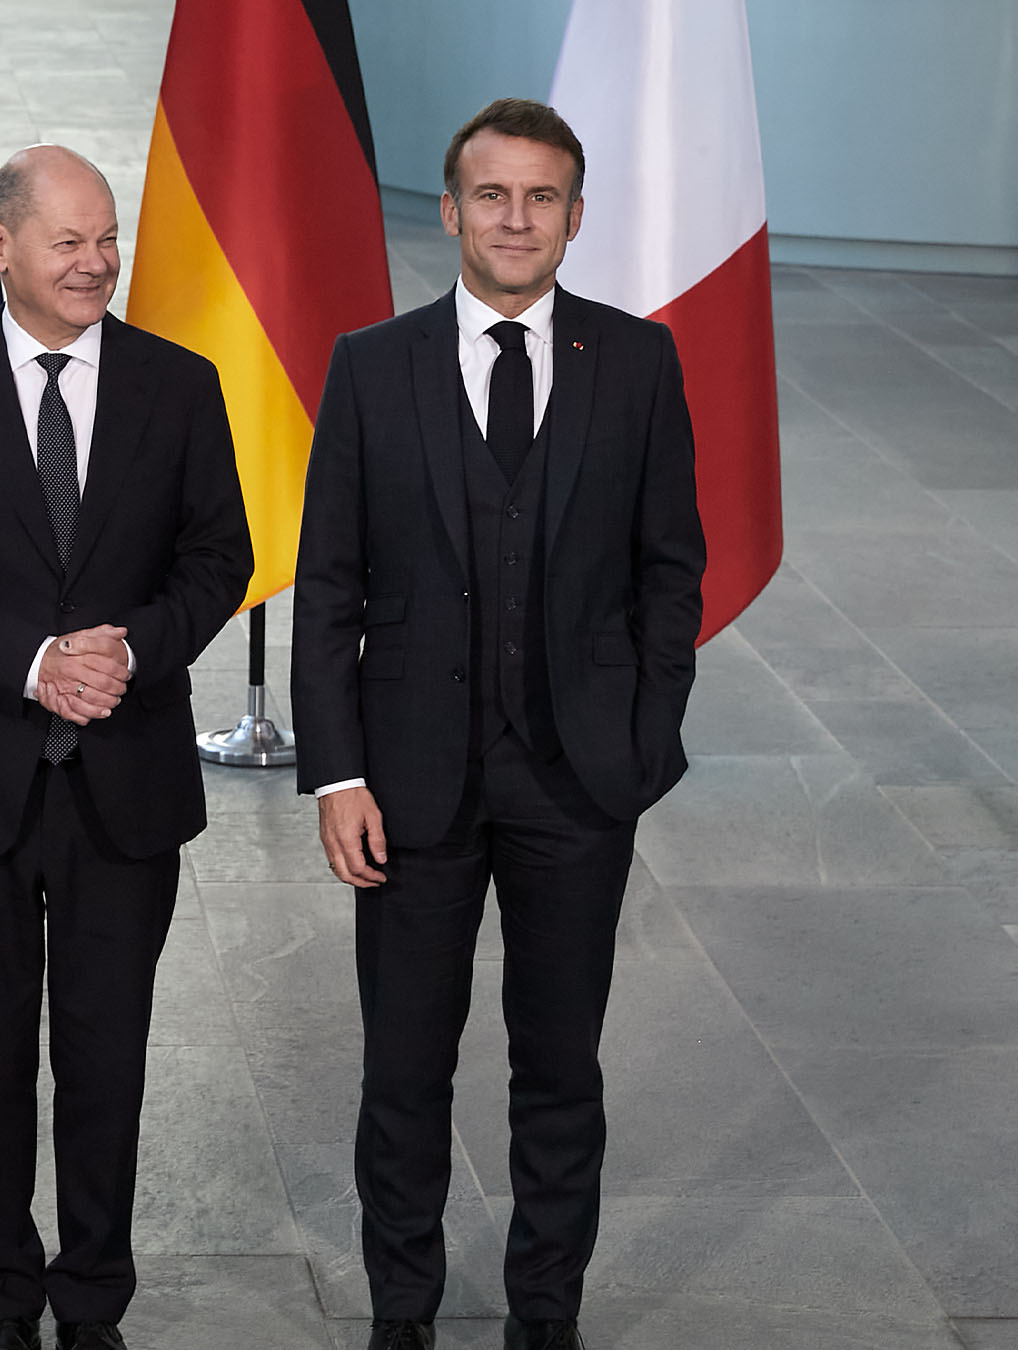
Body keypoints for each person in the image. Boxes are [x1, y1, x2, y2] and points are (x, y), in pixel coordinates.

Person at [290, 98, 707, 1350]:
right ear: (450, 210)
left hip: (580, 784)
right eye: (492, 194)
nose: (515, 219)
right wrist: (338, 775)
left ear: (575, 218)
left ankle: (546, 1316)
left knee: (561, 1067)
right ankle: (402, 1316)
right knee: (404, 1070)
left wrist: (644, 738)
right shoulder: (372, 364)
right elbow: (329, 587)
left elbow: (670, 570)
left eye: (541, 198)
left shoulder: (637, 363)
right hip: (406, 788)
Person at [0, 145, 252, 1350]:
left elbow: (219, 560)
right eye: (69, 241)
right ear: (0, 247)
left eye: (106, 238)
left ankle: (91, 1303)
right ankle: (1, 1301)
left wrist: (131, 649)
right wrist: (32, 663)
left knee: (105, 1058)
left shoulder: (179, 386)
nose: (95, 263)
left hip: (127, 787)